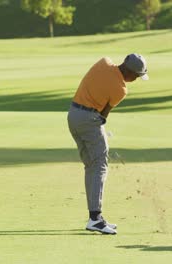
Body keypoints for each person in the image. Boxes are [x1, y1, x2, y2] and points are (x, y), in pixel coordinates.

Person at [67, 54, 148, 235]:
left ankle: (94, 217)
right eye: (135, 76)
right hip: (89, 120)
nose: (134, 80)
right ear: (128, 71)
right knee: (100, 166)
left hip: (73, 115)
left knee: (91, 166)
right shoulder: (121, 90)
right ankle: (95, 219)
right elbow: (104, 114)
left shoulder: (103, 62)